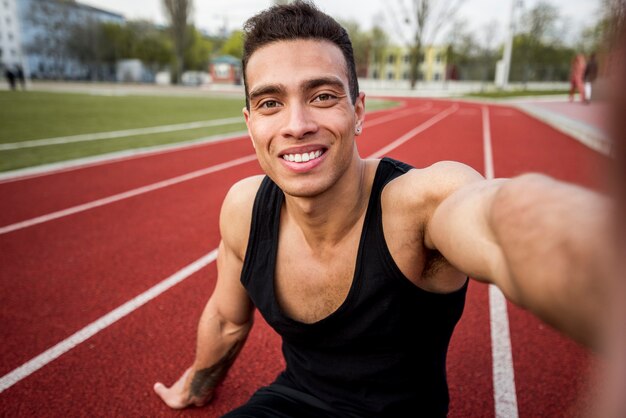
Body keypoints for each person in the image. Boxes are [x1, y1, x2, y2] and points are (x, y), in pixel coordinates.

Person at [154, 2, 612, 416]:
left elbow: (500, 222)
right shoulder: (244, 209)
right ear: (251, 123)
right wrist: (197, 384)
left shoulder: (418, 205)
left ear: (358, 111)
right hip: (291, 403)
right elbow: (227, 319)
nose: (297, 125)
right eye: (271, 103)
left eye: (322, 96)